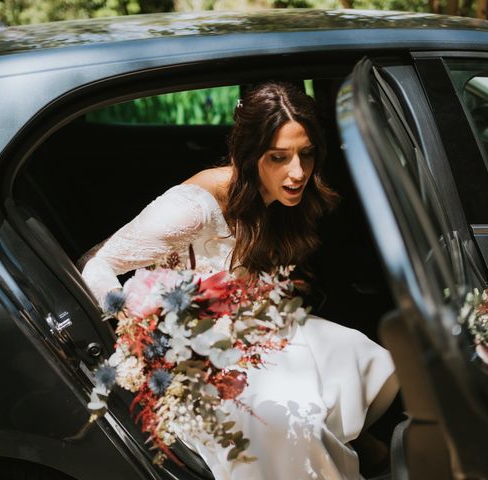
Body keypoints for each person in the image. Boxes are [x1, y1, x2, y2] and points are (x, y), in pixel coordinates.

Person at [81, 81, 398, 480]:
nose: (297, 172)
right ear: (250, 156)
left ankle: (362, 455)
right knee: (284, 421)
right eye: (279, 157)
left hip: (247, 332)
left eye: (307, 154)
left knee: (350, 354)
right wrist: (147, 336)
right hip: (190, 353)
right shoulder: (192, 211)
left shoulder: (277, 197)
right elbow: (95, 263)